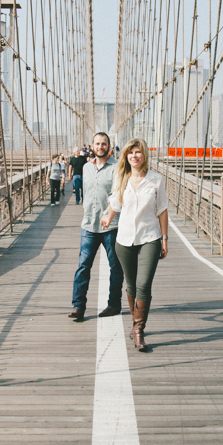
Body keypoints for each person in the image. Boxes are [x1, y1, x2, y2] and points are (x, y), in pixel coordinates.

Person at [100, 138, 167, 352]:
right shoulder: (121, 178)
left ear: (144, 155)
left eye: (138, 152)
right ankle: (135, 323)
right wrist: (107, 217)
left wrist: (164, 239)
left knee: (143, 285)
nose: (134, 156)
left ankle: (139, 330)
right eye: (131, 152)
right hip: (125, 239)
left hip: (150, 238)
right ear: (126, 156)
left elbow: (162, 210)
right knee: (130, 286)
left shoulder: (156, 180)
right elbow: (115, 204)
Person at [70, 132, 123, 321]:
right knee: (83, 266)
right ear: (92, 146)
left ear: (109, 145)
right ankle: (78, 306)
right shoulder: (86, 167)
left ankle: (114, 304)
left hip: (111, 226)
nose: (100, 147)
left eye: (104, 144)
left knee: (115, 267)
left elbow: (118, 195)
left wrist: (108, 216)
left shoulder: (117, 167)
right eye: (97, 143)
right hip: (89, 225)